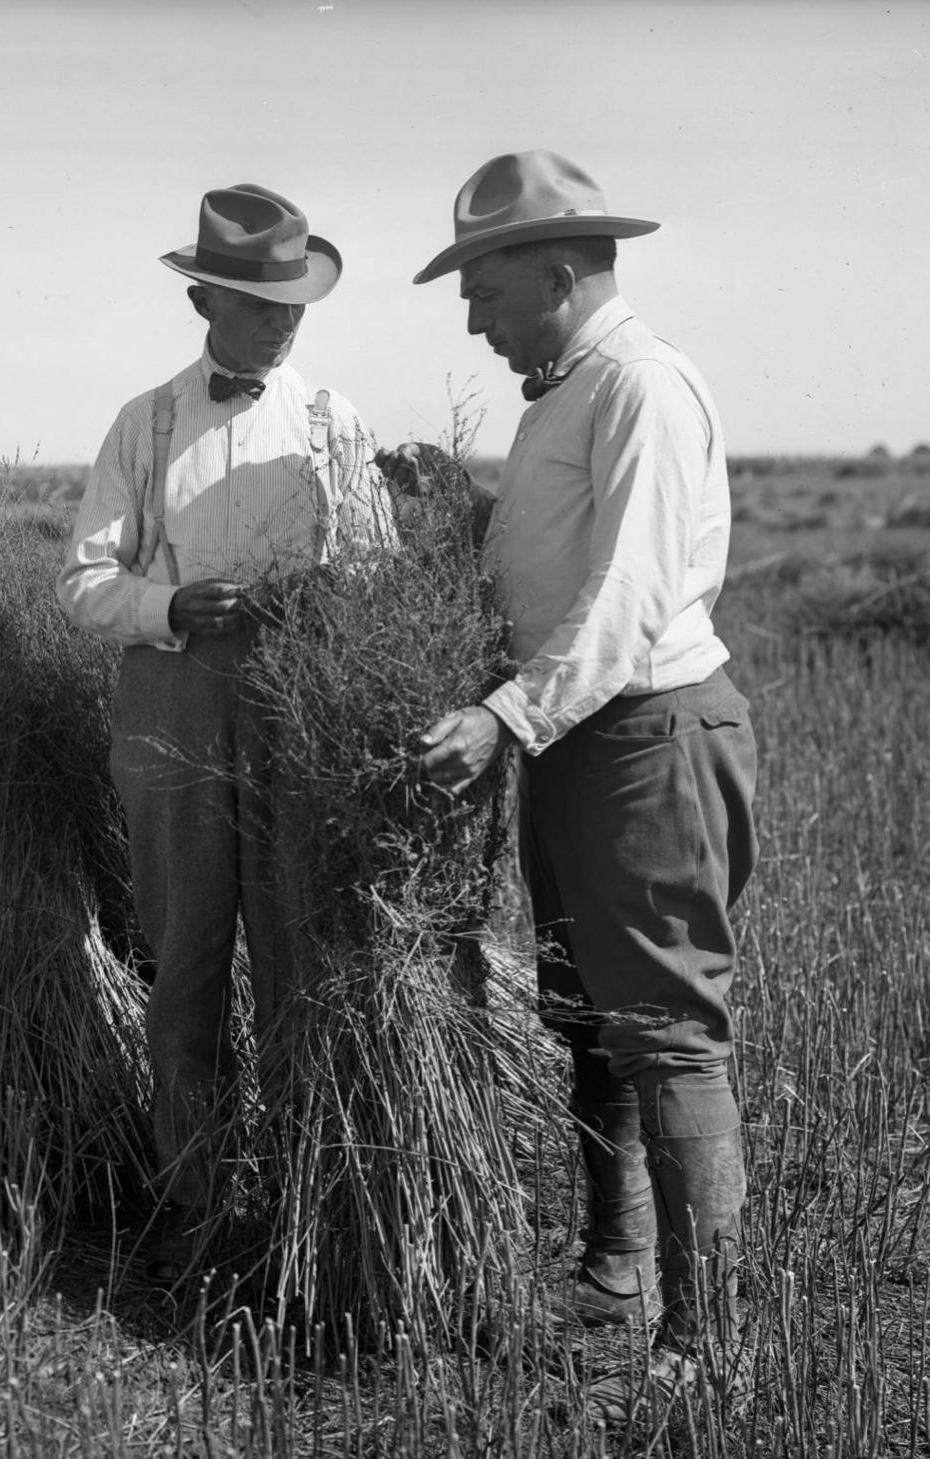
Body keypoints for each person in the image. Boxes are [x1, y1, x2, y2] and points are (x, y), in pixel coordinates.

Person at [377, 150, 758, 1397]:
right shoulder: (569, 389)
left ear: (556, 269)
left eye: (480, 289)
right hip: (579, 735)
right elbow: (548, 566)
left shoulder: (641, 386)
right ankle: (616, 1266)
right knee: (588, 1016)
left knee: (667, 1032)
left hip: (644, 734)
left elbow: (630, 597)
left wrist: (502, 715)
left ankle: (706, 1349)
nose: (472, 318)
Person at [57, 183, 395, 1280]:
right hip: (170, 702)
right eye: (257, 299)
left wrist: (323, 601)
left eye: (291, 298)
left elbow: (380, 572)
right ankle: (199, 1210)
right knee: (189, 959)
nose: (281, 318)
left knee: (300, 957)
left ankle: (301, 1212)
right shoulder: (144, 423)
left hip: (300, 704)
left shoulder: (336, 422)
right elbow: (82, 580)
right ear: (203, 297)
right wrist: (168, 607)